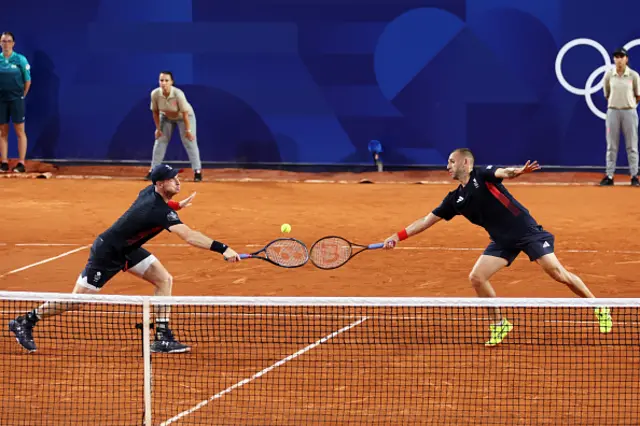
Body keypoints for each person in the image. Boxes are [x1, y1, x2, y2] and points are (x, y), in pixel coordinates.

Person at [382, 148, 613, 347]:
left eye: (451, 162)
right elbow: (425, 221)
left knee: (556, 273)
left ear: (465, 162)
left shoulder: (482, 175)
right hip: (501, 240)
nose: (447, 166)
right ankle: (499, 323)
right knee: (477, 277)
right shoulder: (455, 199)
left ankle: (600, 307)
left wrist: (518, 172)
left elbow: (504, 172)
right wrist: (397, 236)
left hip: (526, 232)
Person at [9, 164, 240, 354]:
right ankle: (26, 320)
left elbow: (162, 207)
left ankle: (162, 337)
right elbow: (189, 236)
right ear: (160, 184)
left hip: (128, 249)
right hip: (107, 254)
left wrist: (178, 205)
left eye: (177, 177)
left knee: (163, 279)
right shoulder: (157, 210)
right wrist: (223, 248)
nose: (178, 182)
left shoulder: (150, 192)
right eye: (172, 179)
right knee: (76, 300)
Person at [147, 71, 203, 182]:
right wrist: (158, 129)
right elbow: (155, 113)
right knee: (160, 141)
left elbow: (185, 113)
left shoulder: (178, 94)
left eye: (166, 80)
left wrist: (188, 130)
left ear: (171, 82)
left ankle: (197, 171)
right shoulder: (155, 94)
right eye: (161, 80)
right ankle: (153, 170)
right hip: (166, 117)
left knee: (189, 141)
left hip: (184, 117)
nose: (163, 83)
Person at [600, 47, 640, 187]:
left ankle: (634, 176)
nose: (619, 60)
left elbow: (638, 95)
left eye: (621, 57)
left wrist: (627, 105)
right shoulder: (609, 75)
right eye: (616, 57)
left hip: (629, 112)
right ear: (614, 59)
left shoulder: (634, 76)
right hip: (613, 112)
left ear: (626, 59)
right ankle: (609, 176)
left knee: (632, 146)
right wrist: (615, 104)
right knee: (612, 146)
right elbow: (607, 94)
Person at [0, 31, 30, 173]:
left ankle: (21, 163)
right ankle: (4, 162)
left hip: (16, 100)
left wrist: (21, 96)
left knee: (19, 131)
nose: (6, 44)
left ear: (13, 43)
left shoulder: (20, 59)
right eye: (3, 41)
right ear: (0, 43)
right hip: (1, 100)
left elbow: (27, 80)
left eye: (8, 41)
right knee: (3, 131)